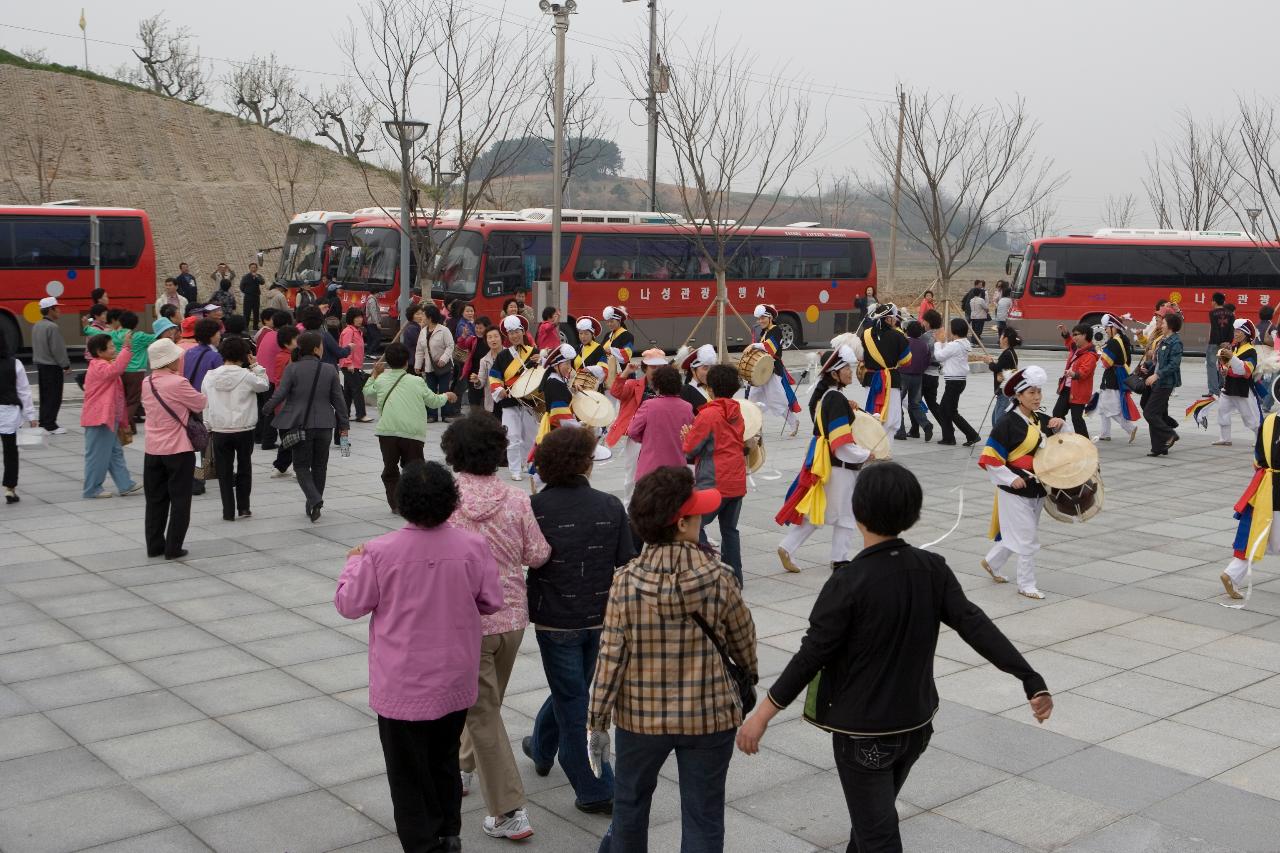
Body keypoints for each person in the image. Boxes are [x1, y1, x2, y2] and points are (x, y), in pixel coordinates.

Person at [737, 462, 1053, 853]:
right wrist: (1029, 677)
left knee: (877, 836)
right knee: (872, 823)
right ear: (912, 513)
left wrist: (761, 716)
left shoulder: (847, 582)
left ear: (858, 511)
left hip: (864, 735)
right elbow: (976, 626)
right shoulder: (931, 568)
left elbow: (810, 656)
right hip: (916, 726)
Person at [335, 461, 503, 853]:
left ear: (402, 502)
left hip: (402, 683)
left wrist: (352, 563)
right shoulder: (473, 546)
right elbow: (492, 600)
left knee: (407, 772)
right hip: (453, 678)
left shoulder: (377, 553)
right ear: (451, 503)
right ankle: (448, 832)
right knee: (444, 759)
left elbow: (349, 604)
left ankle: (421, 843)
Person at [590, 466, 757, 853]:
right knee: (704, 814)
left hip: (639, 717)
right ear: (682, 524)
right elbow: (743, 640)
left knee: (630, 807)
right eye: (697, 514)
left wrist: (596, 720)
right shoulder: (719, 576)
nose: (701, 520)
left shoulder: (625, 581)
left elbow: (610, 656)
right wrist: (749, 674)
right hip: (709, 715)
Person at [440, 414, 552, 841]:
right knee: (485, 706)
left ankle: (508, 811)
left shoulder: (445, 500)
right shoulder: (516, 498)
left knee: (481, 711)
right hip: (511, 619)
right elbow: (537, 554)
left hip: (465, 622)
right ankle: (464, 768)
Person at [526, 427, 632, 813]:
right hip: (599, 616)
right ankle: (595, 787)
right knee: (575, 697)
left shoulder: (535, 507)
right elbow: (627, 560)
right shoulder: (609, 505)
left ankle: (541, 745)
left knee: (571, 694)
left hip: (555, 619)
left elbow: (529, 556)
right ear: (585, 463)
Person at [776, 345, 873, 573]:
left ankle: (788, 546)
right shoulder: (835, 399)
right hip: (840, 466)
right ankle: (839, 559)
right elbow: (841, 444)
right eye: (846, 369)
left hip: (828, 465)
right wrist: (867, 454)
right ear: (834, 374)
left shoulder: (828, 396)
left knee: (820, 511)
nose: (851, 372)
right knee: (846, 513)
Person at [978, 365, 1065, 599]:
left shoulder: (1041, 420)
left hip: (1037, 487)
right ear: (1018, 395)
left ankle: (991, 562)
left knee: (1019, 533)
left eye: (1038, 392)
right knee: (1027, 537)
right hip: (1014, 489)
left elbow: (1059, 444)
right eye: (1031, 393)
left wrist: (1060, 425)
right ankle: (1026, 584)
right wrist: (1011, 477)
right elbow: (990, 458)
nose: (1037, 397)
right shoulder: (1006, 423)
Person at [262, 330, 349, 521]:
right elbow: (338, 400)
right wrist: (344, 423)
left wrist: (266, 409)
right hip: (326, 425)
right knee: (320, 466)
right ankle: (314, 503)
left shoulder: (292, 369)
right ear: (317, 348)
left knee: (301, 466)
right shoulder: (329, 369)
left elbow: (280, 393)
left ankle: (314, 498)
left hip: (300, 424)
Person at [365, 343, 454, 513]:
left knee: (390, 471)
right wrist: (446, 395)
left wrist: (374, 374)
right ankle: (415, 502)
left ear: (389, 362)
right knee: (415, 470)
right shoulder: (416, 381)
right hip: (412, 434)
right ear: (407, 361)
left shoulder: (381, 380)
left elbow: (367, 392)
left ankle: (396, 505)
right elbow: (433, 401)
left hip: (387, 432)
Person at [140, 339, 206, 558]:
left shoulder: (146, 382)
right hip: (178, 449)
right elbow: (199, 403)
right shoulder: (178, 383)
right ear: (170, 359)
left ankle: (154, 545)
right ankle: (173, 547)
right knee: (179, 500)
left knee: (155, 500)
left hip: (152, 449)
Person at [682, 364, 748, 583]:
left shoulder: (708, 414)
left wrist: (686, 436)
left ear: (710, 389)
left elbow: (691, 448)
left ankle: (707, 572)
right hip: (737, 480)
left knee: (696, 525)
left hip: (714, 481)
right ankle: (734, 577)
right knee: (730, 530)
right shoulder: (737, 412)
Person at [202, 336, 268, 521]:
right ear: (244, 355)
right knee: (244, 466)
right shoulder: (247, 376)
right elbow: (264, 385)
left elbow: (204, 402)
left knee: (224, 470)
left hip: (220, 430)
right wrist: (256, 366)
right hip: (244, 428)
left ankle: (228, 510)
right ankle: (244, 507)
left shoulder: (209, 376)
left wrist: (207, 424)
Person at [1221, 411, 1280, 600]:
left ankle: (1231, 573)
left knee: (1257, 535)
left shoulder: (1270, 419)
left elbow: (1257, 458)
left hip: (1266, 487)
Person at [81, 333, 140, 500]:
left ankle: (125, 484)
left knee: (114, 453)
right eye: (112, 346)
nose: (114, 349)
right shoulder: (99, 366)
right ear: (100, 352)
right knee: (97, 455)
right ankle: (92, 489)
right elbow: (116, 370)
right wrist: (127, 348)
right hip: (99, 418)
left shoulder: (102, 364)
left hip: (106, 417)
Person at [489, 315, 540, 481]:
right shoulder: (503, 356)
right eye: (510, 333)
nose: (514, 335)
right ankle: (515, 469)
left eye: (517, 332)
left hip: (529, 401)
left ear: (523, 332)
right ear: (507, 336)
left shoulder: (534, 352)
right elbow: (494, 377)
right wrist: (499, 389)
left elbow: (541, 374)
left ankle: (528, 464)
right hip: (510, 402)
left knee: (531, 436)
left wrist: (542, 360)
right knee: (513, 436)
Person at [628, 365, 694, 482]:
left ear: (657, 384)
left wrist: (646, 439)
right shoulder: (687, 407)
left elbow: (632, 431)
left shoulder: (649, 405)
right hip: (678, 470)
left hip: (651, 470)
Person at [747, 304, 801, 436]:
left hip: (772, 369)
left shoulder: (776, 330)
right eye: (759, 319)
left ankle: (793, 422)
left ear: (770, 317)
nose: (760, 321)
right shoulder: (764, 332)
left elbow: (770, 348)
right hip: (760, 370)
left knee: (776, 399)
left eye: (762, 318)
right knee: (753, 398)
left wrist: (754, 345)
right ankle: (755, 427)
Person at [860, 303, 912, 436]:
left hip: (870, 380)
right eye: (893, 317)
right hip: (891, 380)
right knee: (891, 418)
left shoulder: (865, 335)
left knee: (870, 413)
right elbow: (906, 361)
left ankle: (872, 446)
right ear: (888, 319)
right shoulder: (898, 336)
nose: (895, 320)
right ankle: (885, 449)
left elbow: (860, 357)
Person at [1213, 318, 1263, 447]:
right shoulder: (1234, 348)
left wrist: (1231, 357)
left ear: (1246, 333)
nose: (1235, 333)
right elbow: (1227, 365)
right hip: (1229, 386)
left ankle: (1260, 440)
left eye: (1239, 331)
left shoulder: (1251, 351)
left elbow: (1246, 370)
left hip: (1243, 388)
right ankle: (1225, 438)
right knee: (1222, 411)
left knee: (1251, 417)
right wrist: (1223, 369)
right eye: (1235, 330)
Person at [933, 317, 981, 446]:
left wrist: (938, 342)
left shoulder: (955, 345)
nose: (947, 331)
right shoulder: (963, 343)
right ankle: (949, 437)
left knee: (949, 411)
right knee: (945, 409)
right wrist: (943, 342)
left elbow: (939, 356)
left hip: (954, 381)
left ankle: (971, 435)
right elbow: (946, 355)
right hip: (958, 380)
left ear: (954, 331)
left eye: (949, 329)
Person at [0, 334, 36, 503]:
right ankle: (10, 488)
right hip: (9, 412)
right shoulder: (15, 363)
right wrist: (31, 415)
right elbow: (24, 391)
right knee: (10, 452)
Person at [1095, 314, 1140, 443]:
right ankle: (1105, 433)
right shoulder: (1122, 339)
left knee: (1111, 408)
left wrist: (1099, 352)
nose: (1105, 330)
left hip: (1112, 377)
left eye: (1107, 328)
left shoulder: (1114, 341)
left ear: (1113, 327)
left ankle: (1130, 428)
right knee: (1103, 407)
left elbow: (1106, 363)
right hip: (1117, 374)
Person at [1144, 312, 1184, 457]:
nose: (1161, 324)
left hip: (1165, 383)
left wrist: (1157, 375)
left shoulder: (1176, 342)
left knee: (1149, 413)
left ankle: (1170, 434)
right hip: (1157, 381)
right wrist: (1148, 367)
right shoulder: (1164, 340)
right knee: (1159, 414)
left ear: (1171, 326)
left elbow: (1174, 364)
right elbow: (1158, 362)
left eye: (1164, 323)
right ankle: (1159, 447)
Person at [112, 311, 159, 432]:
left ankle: (131, 428)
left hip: (120, 370)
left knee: (124, 399)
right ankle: (122, 426)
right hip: (136, 372)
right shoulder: (139, 336)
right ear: (135, 324)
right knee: (133, 401)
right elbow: (157, 337)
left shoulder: (114, 334)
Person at [1050, 322, 1097, 438]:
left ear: (1085, 336)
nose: (1074, 337)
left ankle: (1085, 442)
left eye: (1076, 335)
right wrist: (1065, 334)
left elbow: (1084, 372)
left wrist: (1073, 374)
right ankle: (1062, 437)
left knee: (1076, 418)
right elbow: (1069, 343)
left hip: (1079, 391)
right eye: (1073, 334)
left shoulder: (1090, 355)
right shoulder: (1077, 348)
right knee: (1057, 414)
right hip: (1066, 389)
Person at [31, 296, 70, 435]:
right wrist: (65, 365)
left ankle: (44, 422)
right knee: (54, 396)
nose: (59, 310)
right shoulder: (52, 327)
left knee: (45, 395)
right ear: (50, 310)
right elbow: (57, 349)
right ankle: (50, 424)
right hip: (52, 366)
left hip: (41, 365)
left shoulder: (37, 325)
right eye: (57, 308)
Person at [416, 305, 456, 425]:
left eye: (423, 314)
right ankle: (431, 415)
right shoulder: (423, 332)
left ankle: (446, 414)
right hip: (429, 367)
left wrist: (444, 358)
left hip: (443, 367)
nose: (421, 317)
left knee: (444, 390)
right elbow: (419, 350)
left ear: (430, 317)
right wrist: (418, 365)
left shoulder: (444, 330)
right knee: (430, 391)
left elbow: (450, 346)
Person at [900, 320, 933, 441]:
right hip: (918, 376)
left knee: (897, 402)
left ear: (907, 331)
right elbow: (927, 361)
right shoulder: (924, 345)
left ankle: (900, 430)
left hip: (903, 374)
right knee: (915, 404)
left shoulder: (904, 342)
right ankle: (926, 424)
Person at [339, 307, 371, 423]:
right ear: (351, 319)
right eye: (356, 317)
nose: (359, 319)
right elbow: (346, 348)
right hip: (350, 366)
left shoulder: (357, 331)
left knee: (348, 391)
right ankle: (361, 414)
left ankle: (345, 414)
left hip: (354, 365)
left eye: (360, 317)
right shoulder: (349, 331)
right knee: (357, 389)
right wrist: (349, 363)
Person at [988, 325, 1021, 431]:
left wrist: (990, 362)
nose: (1000, 338)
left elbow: (997, 368)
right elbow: (1002, 369)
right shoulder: (1009, 352)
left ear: (1005, 339)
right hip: (1003, 391)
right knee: (995, 419)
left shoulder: (1007, 353)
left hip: (1004, 392)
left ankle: (1003, 442)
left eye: (1001, 336)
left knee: (999, 421)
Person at [919, 309, 946, 433]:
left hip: (924, 374)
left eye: (924, 321)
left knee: (915, 402)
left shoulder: (925, 337)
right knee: (933, 404)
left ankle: (916, 429)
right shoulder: (942, 335)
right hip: (935, 374)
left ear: (928, 322)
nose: (922, 323)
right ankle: (947, 428)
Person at [473, 327, 504, 414]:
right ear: (486, 341)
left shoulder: (511, 354)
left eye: (496, 336)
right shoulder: (484, 360)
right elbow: (481, 382)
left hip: (509, 398)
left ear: (501, 337)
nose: (493, 339)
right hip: (493, 399)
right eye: (489, 337)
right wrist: (477, 381)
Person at [1208, 291, 1233, 396]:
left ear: (1214, 301)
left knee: (1211, 365)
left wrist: (1220, 342)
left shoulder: (1212, 313)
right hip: (1226, 343)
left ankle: (1214, 390)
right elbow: (1231, 329)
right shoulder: (1231, 314)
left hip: (1214, 342)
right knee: (1224, 364)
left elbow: (1215, 329)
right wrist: (1228, 342)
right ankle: (1224, 386)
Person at [574, 316, 608, 382]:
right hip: (578, 385)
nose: (583, 336)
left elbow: (604, 369)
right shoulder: (577, 348)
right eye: (581, 333)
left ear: (592, 334)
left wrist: (590, 369)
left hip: (593, 386)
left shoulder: (599, 348)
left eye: (586, 333)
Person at [239, 262, 264, 329]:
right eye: (252, 267)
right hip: (248, 297)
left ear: (257, 268)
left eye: (255, 267)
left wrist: (257, 277)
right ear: (249, 269)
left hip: (256, 297)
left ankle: (255, 326)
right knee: (247, 312)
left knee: (256, 312)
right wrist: (247, 292)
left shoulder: (258, 276)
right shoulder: (245, 277)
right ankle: (245, 326)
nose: (253, 269)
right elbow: (241, 287)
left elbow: (262, 282)